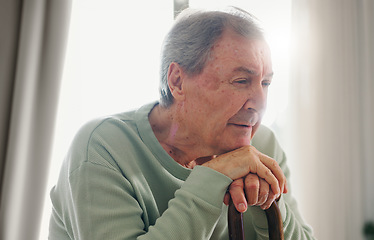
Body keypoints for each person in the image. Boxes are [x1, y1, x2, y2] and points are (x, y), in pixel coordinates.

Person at [49, 8, 314, 240]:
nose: (259, 102)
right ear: (177, 81)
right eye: (241, 81)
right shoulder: (102, 148)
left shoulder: (263, 146)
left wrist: (268, 204)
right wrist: (215, 176)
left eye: (265, 83)